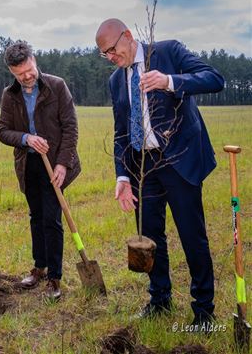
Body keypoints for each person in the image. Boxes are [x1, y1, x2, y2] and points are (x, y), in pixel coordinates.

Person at [95, 18, 224, 328]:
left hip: (179, 161)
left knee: (192, 238)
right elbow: (121, 132)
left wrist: (169, 81)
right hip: (144, 168)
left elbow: (214, 79)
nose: (111, 58)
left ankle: (204, 311)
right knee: (151, 238)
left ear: (127, 36)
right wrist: (123, 175)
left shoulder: (169, 52)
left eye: (112, 50)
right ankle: (160, 299)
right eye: (104, 54)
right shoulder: (116, 80)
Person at [0, 41, 81, 301]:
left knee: (52, 219)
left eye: (30, 70)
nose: (27, 76)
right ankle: (39, 268)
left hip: (55, 163)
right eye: (20, 73)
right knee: (36, 216)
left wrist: (62, 163)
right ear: (12, 72)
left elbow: (70, 128)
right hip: (29, 165)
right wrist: (25, 138)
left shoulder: (57, 86)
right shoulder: (9, 95)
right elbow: (3, 131)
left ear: (35, 61)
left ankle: (55, 278)